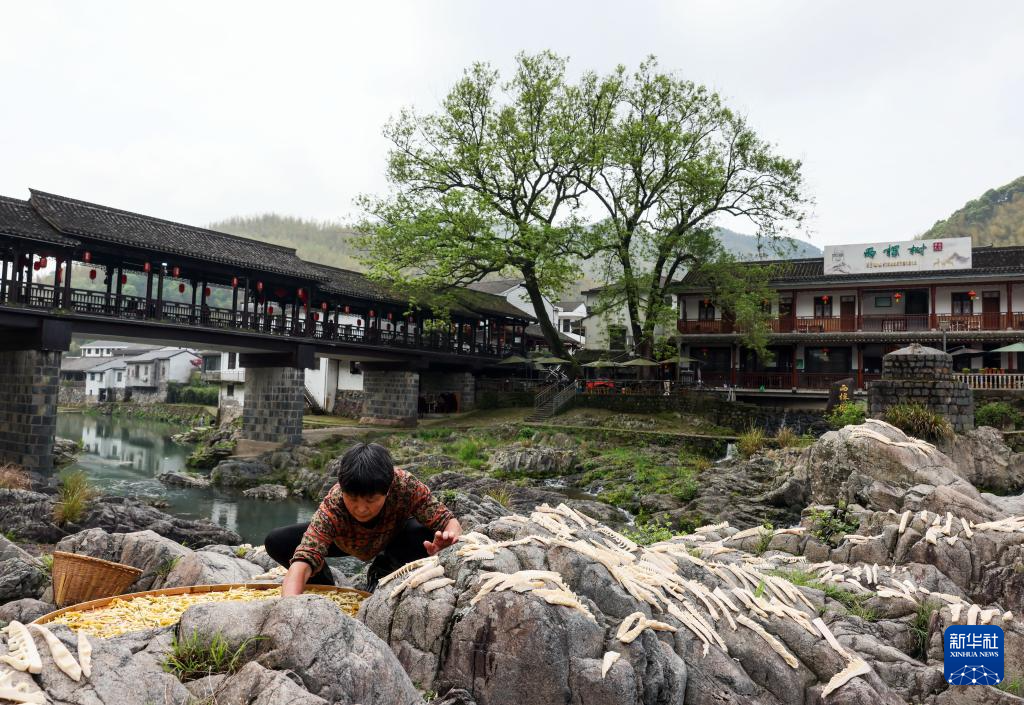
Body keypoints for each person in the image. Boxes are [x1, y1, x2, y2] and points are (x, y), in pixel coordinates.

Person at [264, 442, 462, 595]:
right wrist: (290, 604)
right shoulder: (333, 505)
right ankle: (322, 583)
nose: (361, 509)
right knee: (276, 541)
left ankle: (382, 569)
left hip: (392, 539)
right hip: (342, 541)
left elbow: (447, 520)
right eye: (352, 498)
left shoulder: (405, 486)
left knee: (422, 532)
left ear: (388, 489)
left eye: (371, 500)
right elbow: (303, 559)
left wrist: (447, 544)